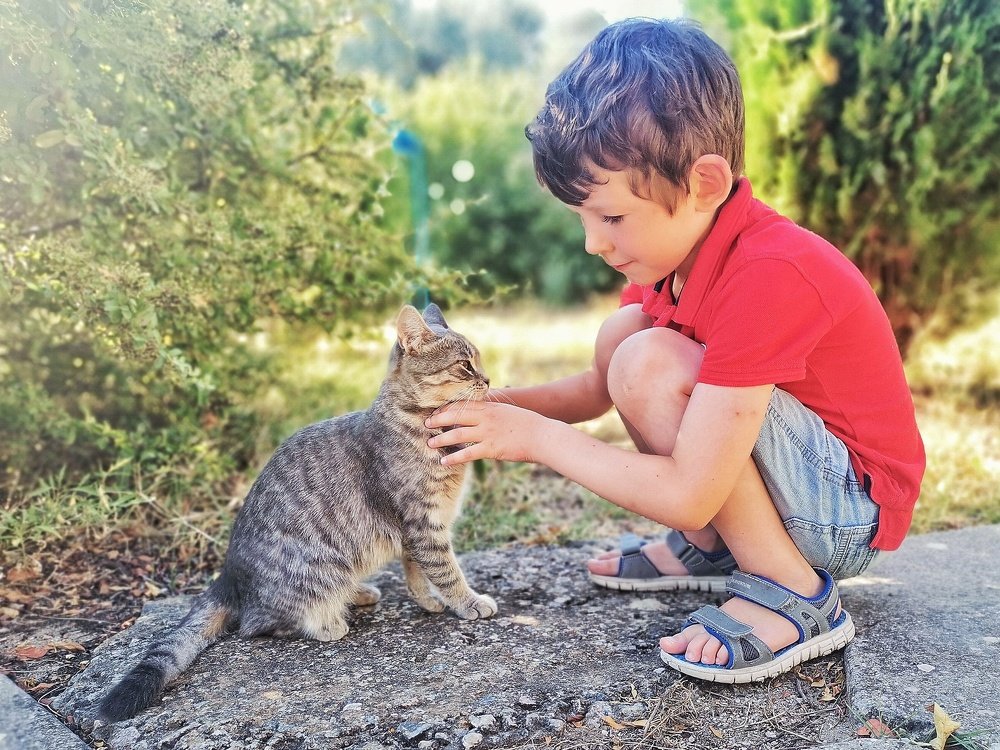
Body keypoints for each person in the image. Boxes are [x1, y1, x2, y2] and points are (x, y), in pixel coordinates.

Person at [424, 17, 925, 683]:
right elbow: (592, 390)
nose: (592, 244)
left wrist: (533, 439)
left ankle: (794, 592)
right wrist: (480, 412)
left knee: (648, 360)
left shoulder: (769, 272)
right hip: (793, 485)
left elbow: (688, 489)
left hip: (845, 510)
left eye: (610, 218)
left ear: (705, 185)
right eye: (582, 219)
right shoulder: (674, 264)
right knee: (624, 342)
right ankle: (717, 550)